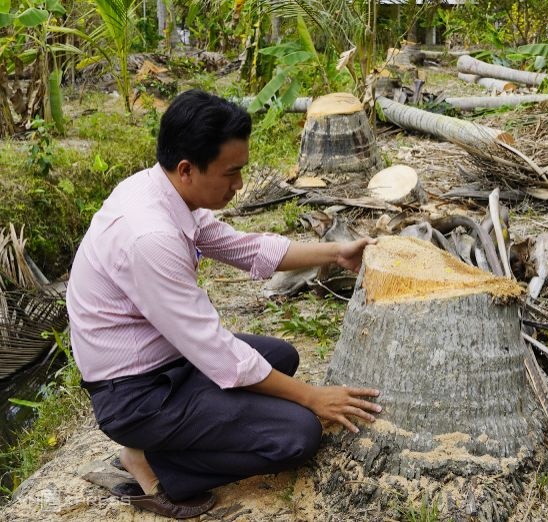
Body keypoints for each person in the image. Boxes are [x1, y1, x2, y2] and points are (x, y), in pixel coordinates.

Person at [65, 89, 382, 519]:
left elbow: (243, 248)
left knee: (280, 357)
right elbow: (216, 350)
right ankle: (151, 463)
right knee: (298, 435)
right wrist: (312, 398)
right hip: (137, 396)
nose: (239, 185)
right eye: (231, 174)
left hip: (165, 361)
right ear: (187, 168)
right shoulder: (149, 237)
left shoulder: (164, 191)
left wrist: (335, 252)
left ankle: (173, 440)